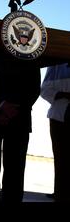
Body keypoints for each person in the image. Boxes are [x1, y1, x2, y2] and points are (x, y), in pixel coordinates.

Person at [0, 63, 41, 202]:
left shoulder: (30, 52)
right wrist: (0, 105)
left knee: (15, 170)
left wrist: (11, 108)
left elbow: (34, 87)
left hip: (19, 119)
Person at [41, 63, 70, 202]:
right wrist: (62, 94)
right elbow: (45, 90)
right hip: (58, 116)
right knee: (60, 157)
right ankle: (59, 191)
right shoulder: (55, 65)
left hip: (59, 114)